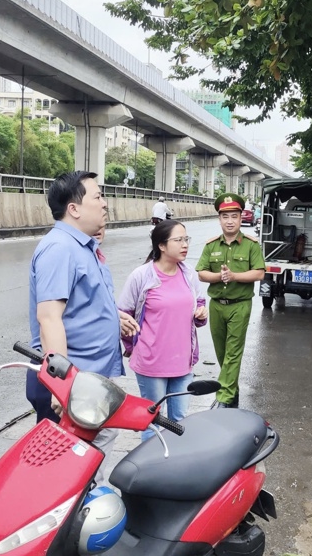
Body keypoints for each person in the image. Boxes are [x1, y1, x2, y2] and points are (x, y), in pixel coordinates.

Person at [27, 171, 139, 424]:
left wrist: (112, 317)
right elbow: (49, 318)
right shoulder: (60, 248)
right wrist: (61, 384)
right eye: (97, 196)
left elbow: (82, 303)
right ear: (74, 209)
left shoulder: (82, 247)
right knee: (64, 462)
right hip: (72, 385)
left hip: (87, 383)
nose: (104, 203)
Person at [117, 220, 208, 439]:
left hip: (183, 362)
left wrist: (202, 314)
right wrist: (134, 347)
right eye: (179, 240)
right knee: (152, 422)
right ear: (162, 246)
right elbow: (122, 317)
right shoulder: (141, 276)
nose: (185, 244)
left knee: (179, 422)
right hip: (152, 362)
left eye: (186, 239)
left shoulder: (189, 275)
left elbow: (200, 307)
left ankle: (174, 469)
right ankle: (150, 470)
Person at [196, 193, 265, 408]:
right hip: (217, 305)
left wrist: (234, 276)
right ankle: (232, 393)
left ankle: (223, 397)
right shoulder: (211, 245)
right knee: (222, 352)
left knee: (233, 351)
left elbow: (259, 273)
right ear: (219, 219)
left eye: (234, 216)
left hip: (240, 305)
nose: (229, 221)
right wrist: (219, 277)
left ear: (241, 217)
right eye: (225, 217)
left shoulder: (251, 245)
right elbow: (201, 273)